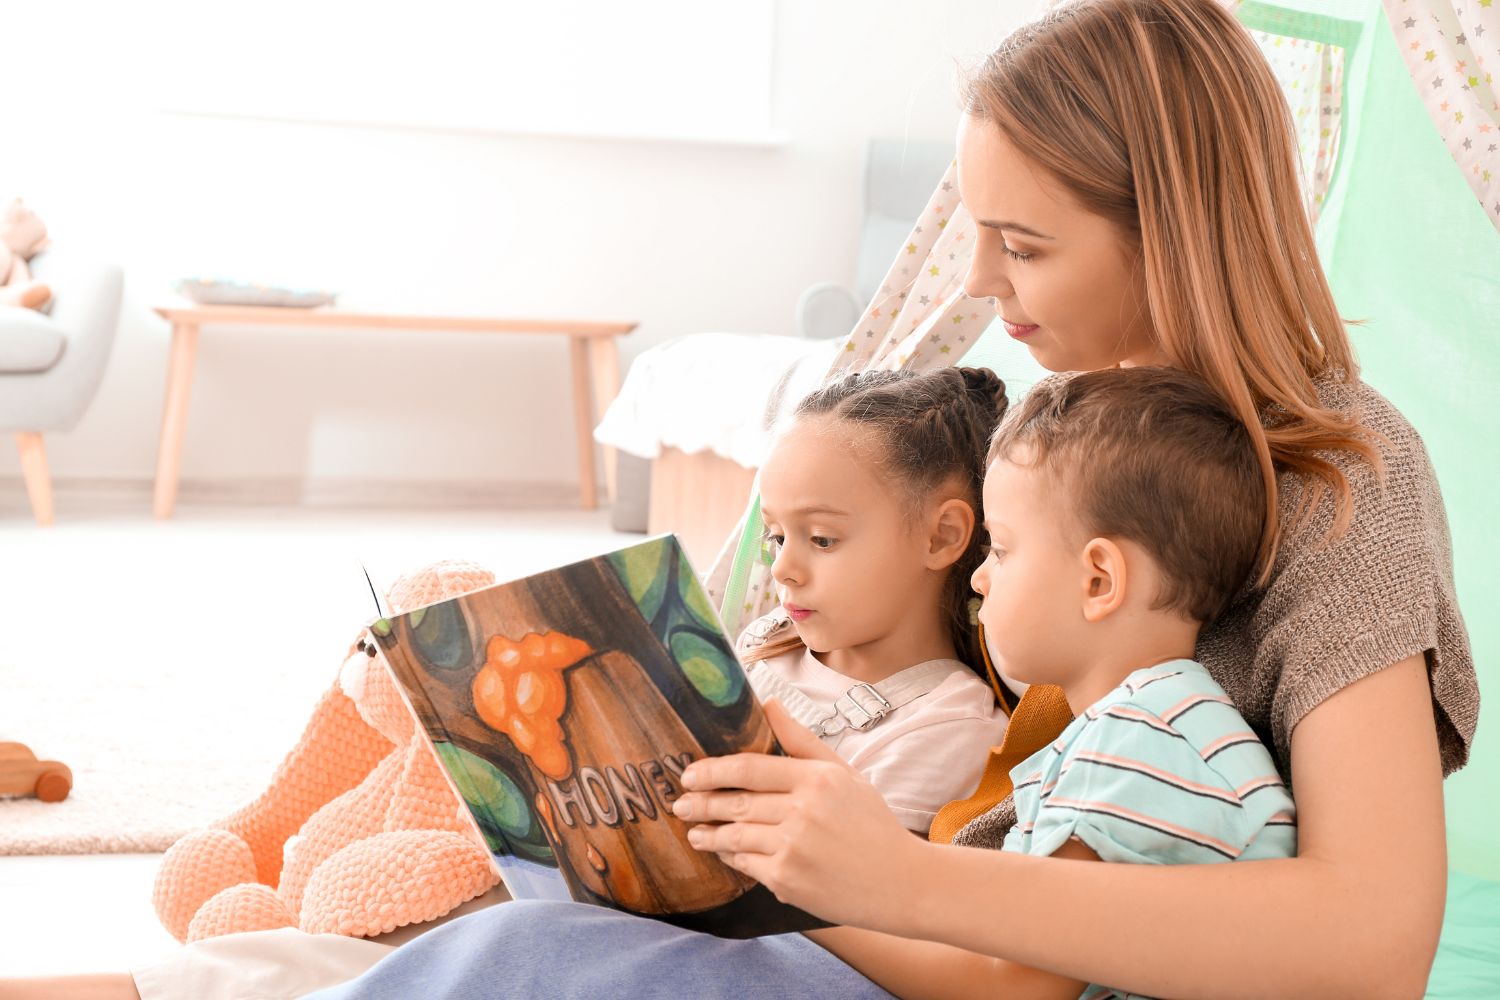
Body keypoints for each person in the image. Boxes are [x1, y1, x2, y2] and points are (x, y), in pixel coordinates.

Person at [4, 0, 1478, 996]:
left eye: (1021, 246)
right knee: (513, 863)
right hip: (900, 922)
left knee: (513, 961)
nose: (975, 287)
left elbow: (1373, 938)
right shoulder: (1059, 429)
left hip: (944, 946)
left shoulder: (1341, 469)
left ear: (1172, 222)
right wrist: (749, 749)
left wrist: (885, 880)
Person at [962, 365, 1297, 998]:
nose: (979, 579)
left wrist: (813, 905)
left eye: (1000, 550)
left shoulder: (1136, 745)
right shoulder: (1154, 727)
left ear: (1099, 582)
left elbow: (1012, 987)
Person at [737, 366, 1011, 835]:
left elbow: (858, 889)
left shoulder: (947, 729)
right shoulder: (770, 638)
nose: (782, 568)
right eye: (777, 536)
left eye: (821, 539)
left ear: (941, 536)